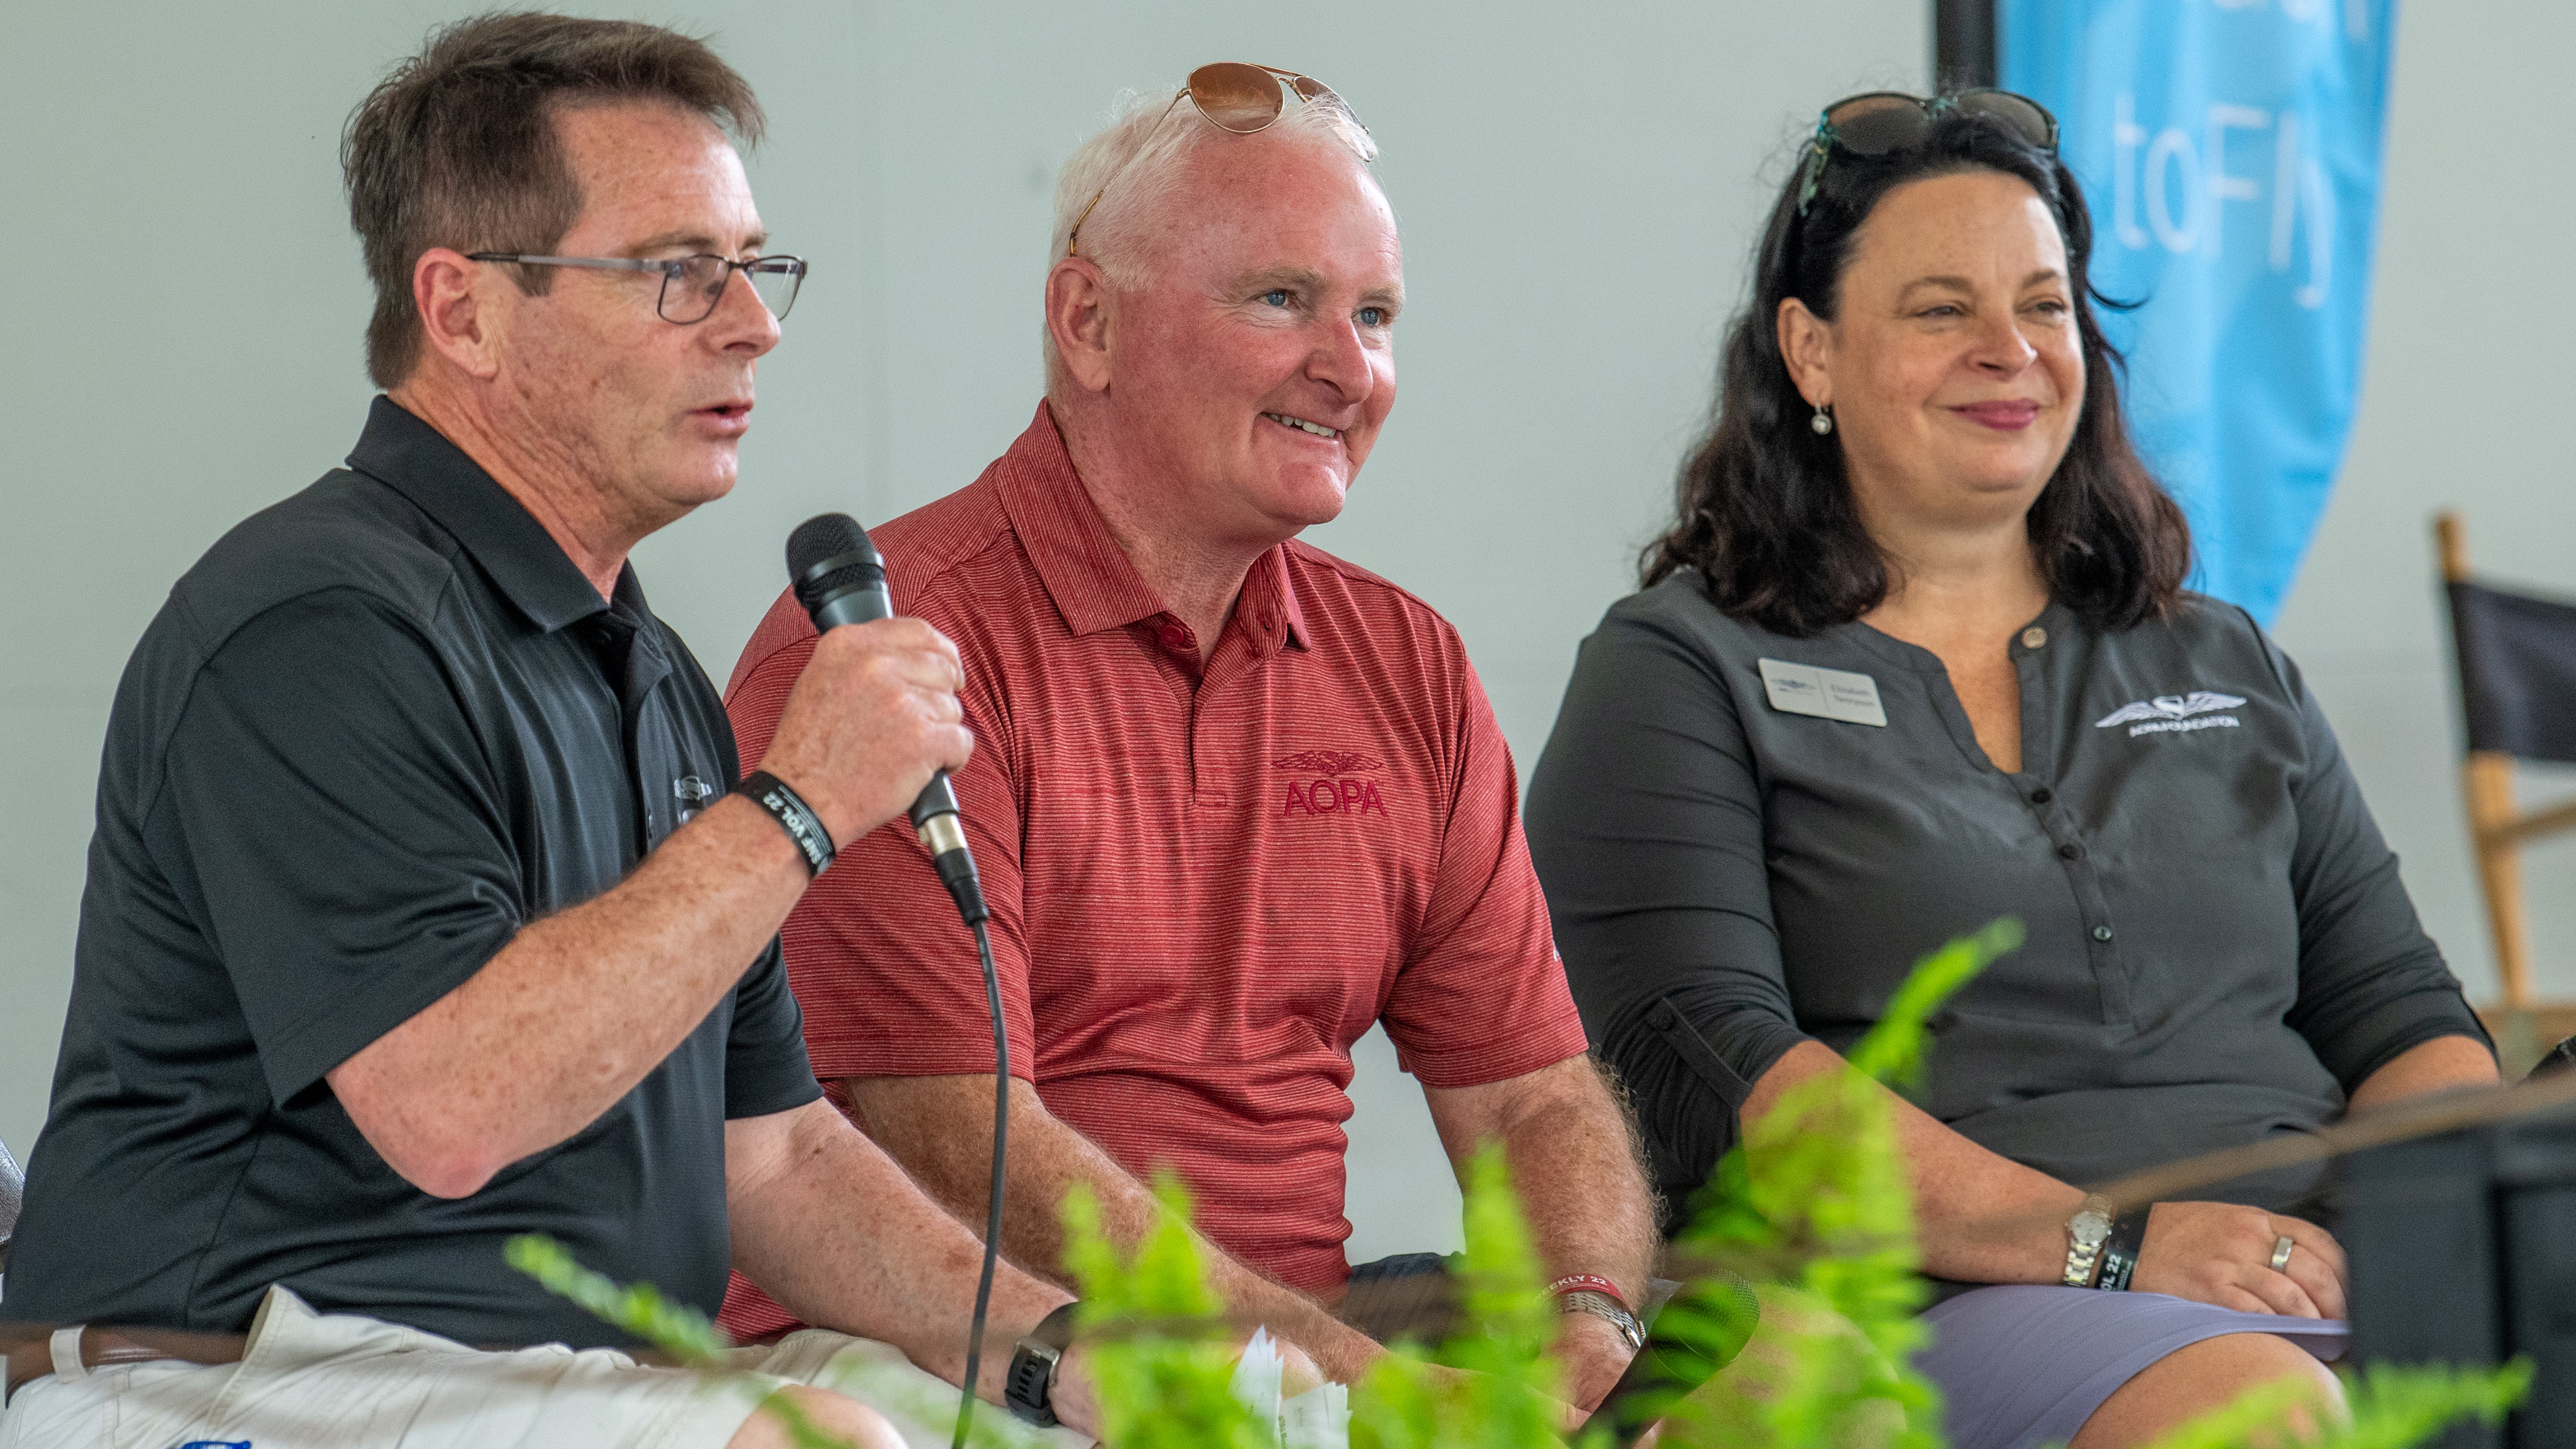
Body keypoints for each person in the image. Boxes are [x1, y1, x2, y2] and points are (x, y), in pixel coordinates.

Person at [0, 16, 1112, 1448]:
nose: (753, 323)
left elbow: (769, 1157)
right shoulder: (314, 625)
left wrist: (1058, 1356)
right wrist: (798, 805)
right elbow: (451, 1108)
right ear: (462, 311)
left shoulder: (651, 672)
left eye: (754, 267)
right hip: (217, 1366)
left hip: (530, 1382)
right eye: (676, 273)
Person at [1522, 91, 2500, 1449]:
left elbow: (2403, 1018)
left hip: (2316, 1266)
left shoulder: (2221, 657)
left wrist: (2464, 1240)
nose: (2009, 352)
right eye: (1940, 310)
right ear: (1809, 350)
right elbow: (1720, 1086)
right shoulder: (1678, 673)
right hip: (1938, 1303)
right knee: (2262, 1415)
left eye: (2044, 307)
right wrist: (2106, 1245)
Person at [717, 67, 1659, 1411]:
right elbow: (954, 1147)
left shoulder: (1408, 663)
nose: (1351, 368)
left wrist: (1584, 1334)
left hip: (1310, 1349)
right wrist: (1365, 1392)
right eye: (1282, 298)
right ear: (1088, 322)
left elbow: (1533, 1100)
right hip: (981, 1361)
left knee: (1823, 1383)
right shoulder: (888, 649)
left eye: (1377, 313)